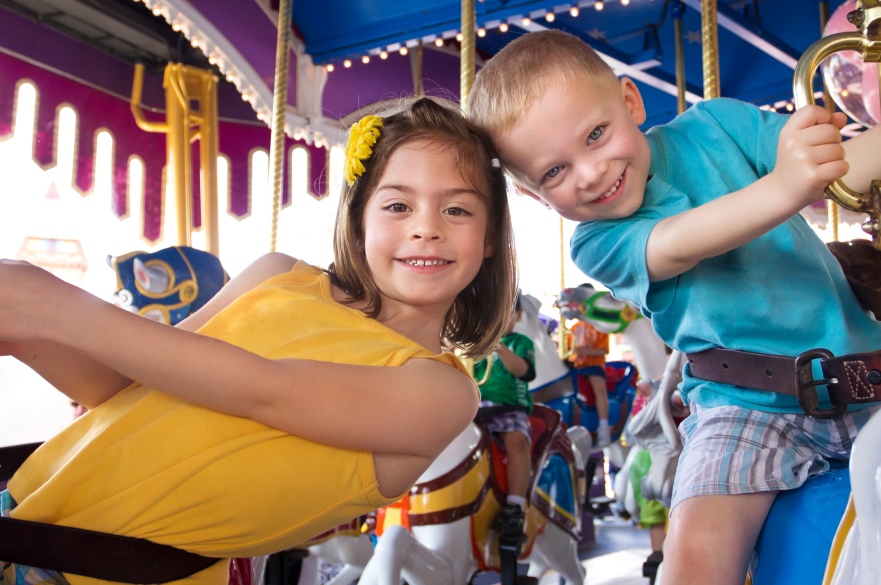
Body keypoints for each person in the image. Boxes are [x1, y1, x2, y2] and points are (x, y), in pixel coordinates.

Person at [468, 29, 881, 585]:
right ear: (532, 194)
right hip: (745, 409)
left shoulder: (717, 126)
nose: (590, 172)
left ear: (630, 102)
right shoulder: (598, 241)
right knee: (694, 558)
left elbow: (842, 169)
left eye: (596, 135)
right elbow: (682, 241)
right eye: (554, 172)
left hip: (870, 374)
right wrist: (786, 187)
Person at [0, 96, 517, 585]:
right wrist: (29, 334)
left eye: (457, 210)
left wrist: (59, 308)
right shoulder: (276, 275)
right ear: (359, 217)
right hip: (19, 514)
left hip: (102, 572)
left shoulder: (440, 393)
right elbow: (121, 389)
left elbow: (263, 390)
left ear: (490, 236)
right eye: (398, 206)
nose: (426, 228)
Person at [472, 292, 536, 538]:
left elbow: (523, 371)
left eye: (506, 311)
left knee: (516, 442)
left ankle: (515, 505)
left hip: (509, 408)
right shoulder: (475, 345)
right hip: (476, 409)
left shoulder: (520, 343)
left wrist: (497, 345)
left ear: (518, 315)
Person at [566, 285, 611, 447]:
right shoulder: (573, 328)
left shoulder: (599, 324)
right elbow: (567, 351)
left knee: (598, 387)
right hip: (577, 365)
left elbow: (604, 350)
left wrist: (586, 350)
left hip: (593, 364)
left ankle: (604, 426)